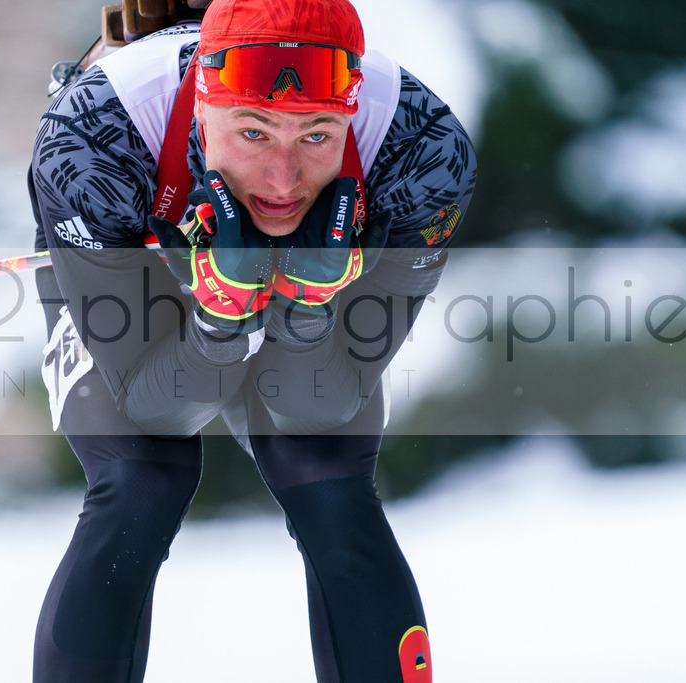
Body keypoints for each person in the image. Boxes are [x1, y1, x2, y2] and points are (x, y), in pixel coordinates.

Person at [27, 0, 476, 680]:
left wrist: (306, 306)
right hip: (138, 243)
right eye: (254, 132)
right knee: (142, 474)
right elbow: (156, 408)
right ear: (203, 105)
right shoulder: (93, 138)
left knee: (325, 473)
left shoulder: (422, 150)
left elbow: (314, 408)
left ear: (352, 112)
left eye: (318, 136)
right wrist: (220, 320)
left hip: (330, 253)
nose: (282, 180)